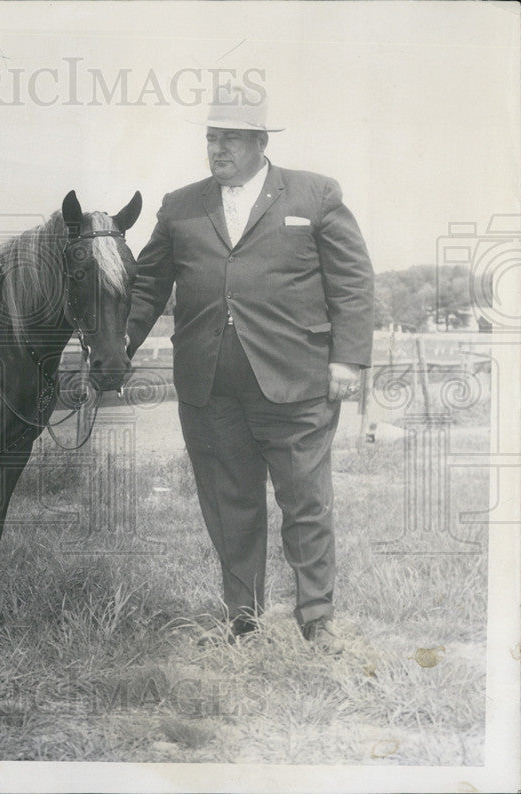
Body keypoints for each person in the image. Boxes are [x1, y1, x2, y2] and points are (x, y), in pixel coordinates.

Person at [126, 84, 374, 654]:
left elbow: (353, 282)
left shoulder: (315, 195)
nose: (218, 149)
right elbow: (147, 286)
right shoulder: (180, 205)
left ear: (261, 142)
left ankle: (317, 619)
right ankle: (243, 618)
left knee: (305, 501)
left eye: (231, 138)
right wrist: (121, 340)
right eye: (212, 137)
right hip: (208, 385)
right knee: (229, 502)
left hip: (298, 380)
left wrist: (347, 358)